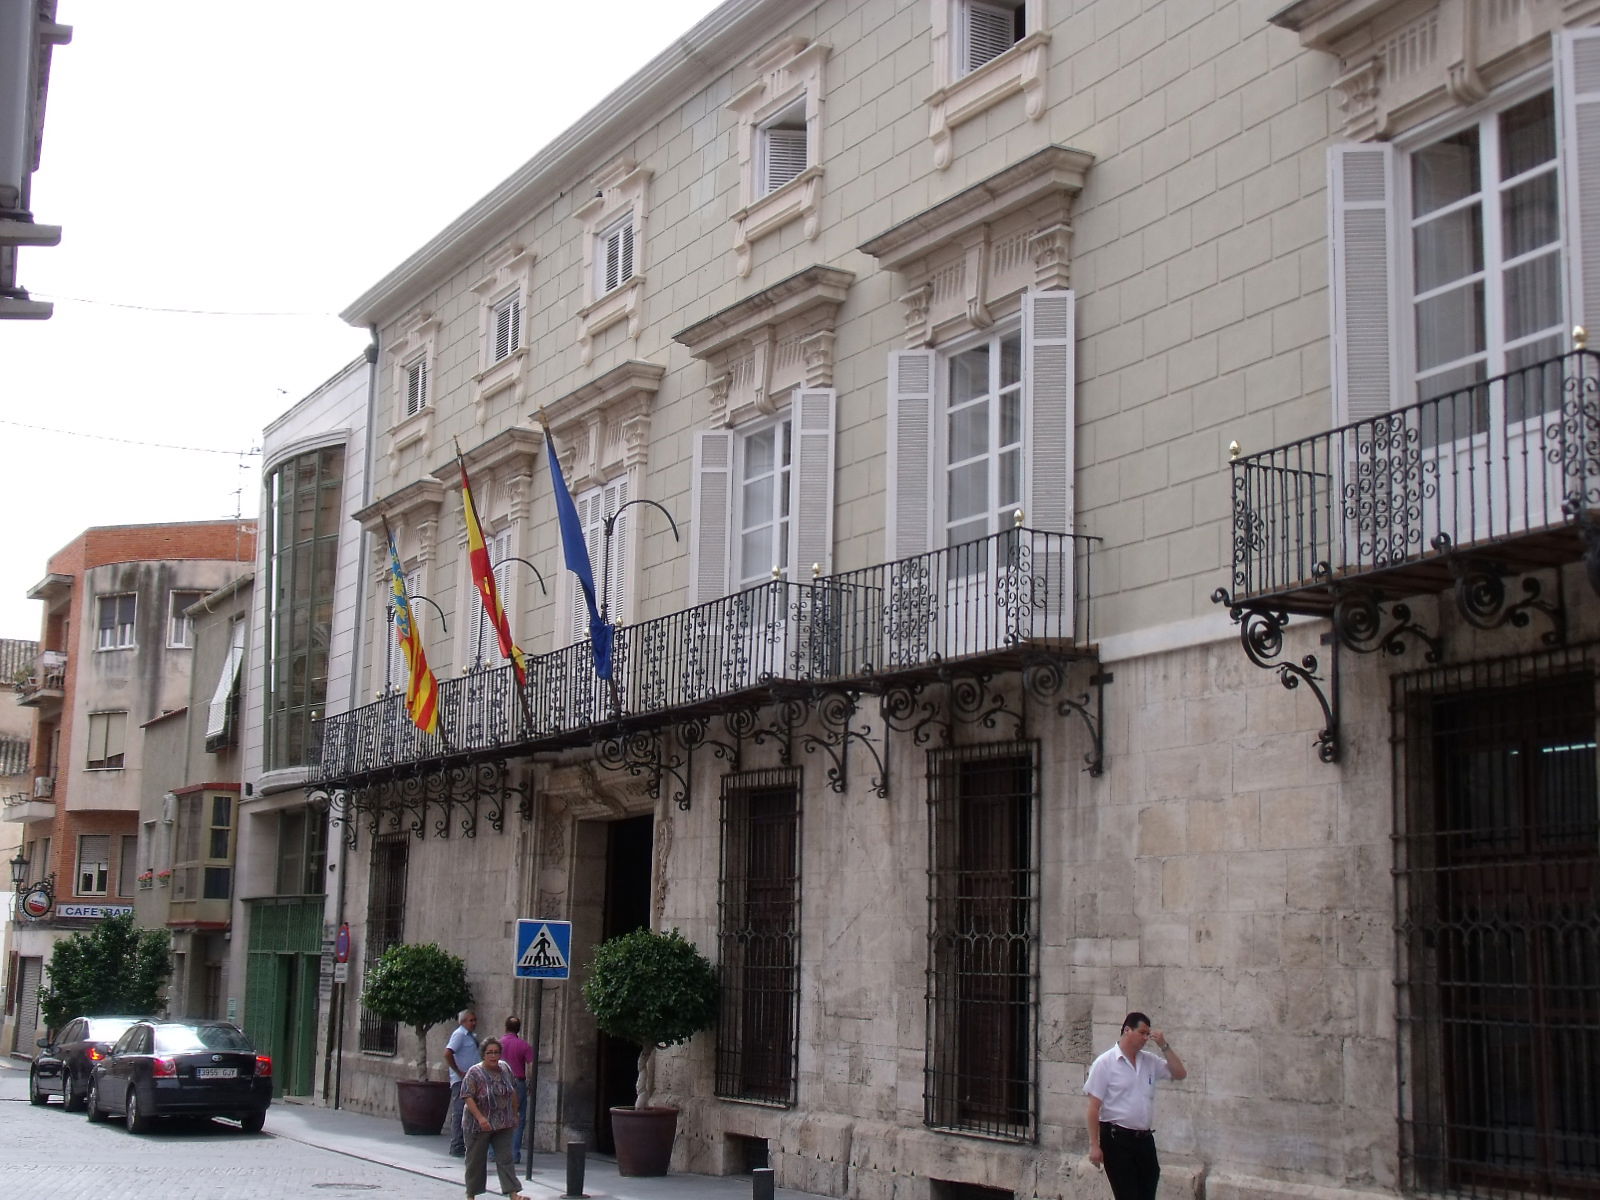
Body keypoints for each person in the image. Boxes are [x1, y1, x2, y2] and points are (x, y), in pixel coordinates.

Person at [1083, 1011, 1188, 1200]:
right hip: (1117, 1139)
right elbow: (1093, 1107)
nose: (1146, 1038)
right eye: (1142, 1033)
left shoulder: (1149, 1061)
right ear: (1127, 1030)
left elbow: (1180, 1073)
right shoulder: (1105, 1063)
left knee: (1148, 1190)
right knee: (1128, 1194)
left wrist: (1164, 1045)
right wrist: (1094, 1145)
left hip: (1144, 1139)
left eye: (1148, 1034)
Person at [461, 1037, 526, 1200]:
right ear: (483, 1054)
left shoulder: (505, 1068)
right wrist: (481, 1118)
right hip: (478, 1124)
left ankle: (513, 1193)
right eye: (489, 1052)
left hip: (503, 1122)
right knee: (475, 1161)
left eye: (496, 1052)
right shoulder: (474, 1072)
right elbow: (467, 1096)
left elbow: (512, 1091)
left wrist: (515, 1113)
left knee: (506, 1158)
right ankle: (471, 1194)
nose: (493, 1056)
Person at [444, 1008, 480, 1158]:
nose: (474, 1023)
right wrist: (459, 1072)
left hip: (472, 1079)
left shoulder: (471, 1036)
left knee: (469, 1111)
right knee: (459, 1111)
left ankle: (465, 1143)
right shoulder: (459, 1035)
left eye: (474, 1020)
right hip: (461, 1081)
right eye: (471, 1020)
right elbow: (447, 1053)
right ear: (463, 1021)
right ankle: (456, 1145)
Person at [498, 1015, 534, 1162]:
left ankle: (494, 1153)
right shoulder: (524, 1045)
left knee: (497, 1115)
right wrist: (529, 1083)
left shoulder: (498, 1044)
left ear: (505, 1027)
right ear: (518, 1029)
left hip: (500, 1082)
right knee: (519, 1117)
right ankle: (514, 1153)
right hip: (518, 1082)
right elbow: (532, 1065)